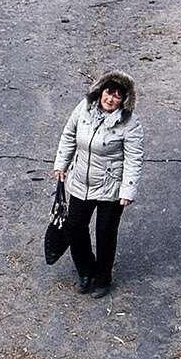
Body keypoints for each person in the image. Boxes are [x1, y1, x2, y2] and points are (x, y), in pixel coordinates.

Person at [52, 73, 141, 294]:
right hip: (81, 181)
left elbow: (133, 158)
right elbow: (69, 134)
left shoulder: (130, 123)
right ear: (101, 91)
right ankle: (85, 270)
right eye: (109, 92)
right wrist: (61, 164)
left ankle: (103, 278)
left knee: (105, 234)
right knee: (74, 228)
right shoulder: (84, 108)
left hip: (110, 188)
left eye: (118, 96)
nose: (111, 99)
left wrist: (127, 190)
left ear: (123, 100)